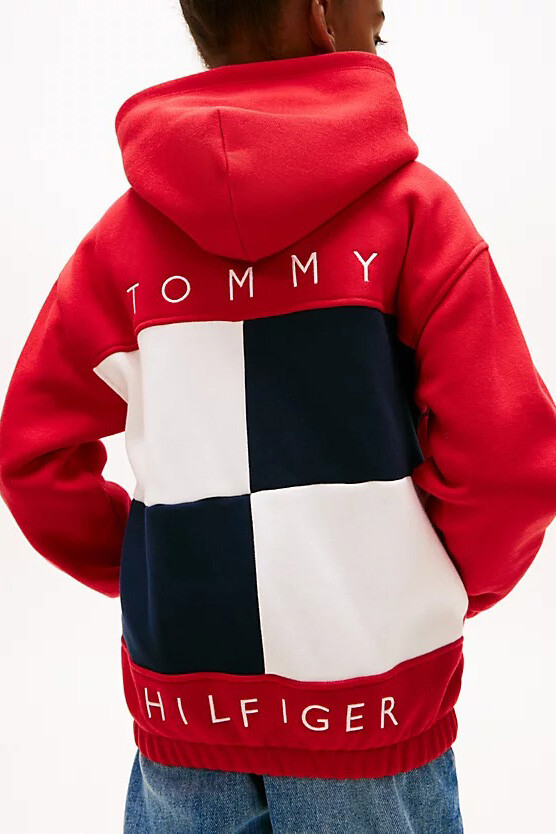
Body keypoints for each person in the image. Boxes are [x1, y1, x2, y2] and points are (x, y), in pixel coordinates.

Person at [1, 0, 556, 831]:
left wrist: (163, 573)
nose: (381, 30)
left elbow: (31, 457)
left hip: (187, 698)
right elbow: (510, 463)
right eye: (377, 20)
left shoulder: (120, 243)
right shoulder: (416, 215)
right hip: (371, 697)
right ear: (323, 15)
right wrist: (429, 587)